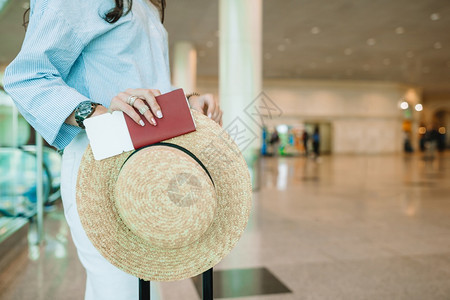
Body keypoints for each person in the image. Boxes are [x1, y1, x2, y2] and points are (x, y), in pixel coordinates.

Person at [3, 0, 222, 299]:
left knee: (134, 288)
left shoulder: (149, 5)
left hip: (149, 167)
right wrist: (97, 114)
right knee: (124, 290)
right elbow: (26, 77)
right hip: (100, 167)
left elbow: (146, 85)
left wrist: (185, 104)